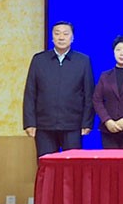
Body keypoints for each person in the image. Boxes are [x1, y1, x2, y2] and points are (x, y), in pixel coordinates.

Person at [23, 21, 94, 157]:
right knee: (46, 164)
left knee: (73, 165)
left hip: (72, 125)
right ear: (52, 37)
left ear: (72, 38)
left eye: (65, 34)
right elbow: (30, 93)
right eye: (57, 33)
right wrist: (29, 123)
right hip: (44, 125)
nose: (61, 37)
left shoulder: (83, 61)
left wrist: (87, 123)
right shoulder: (39, 60)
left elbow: (88, 94)